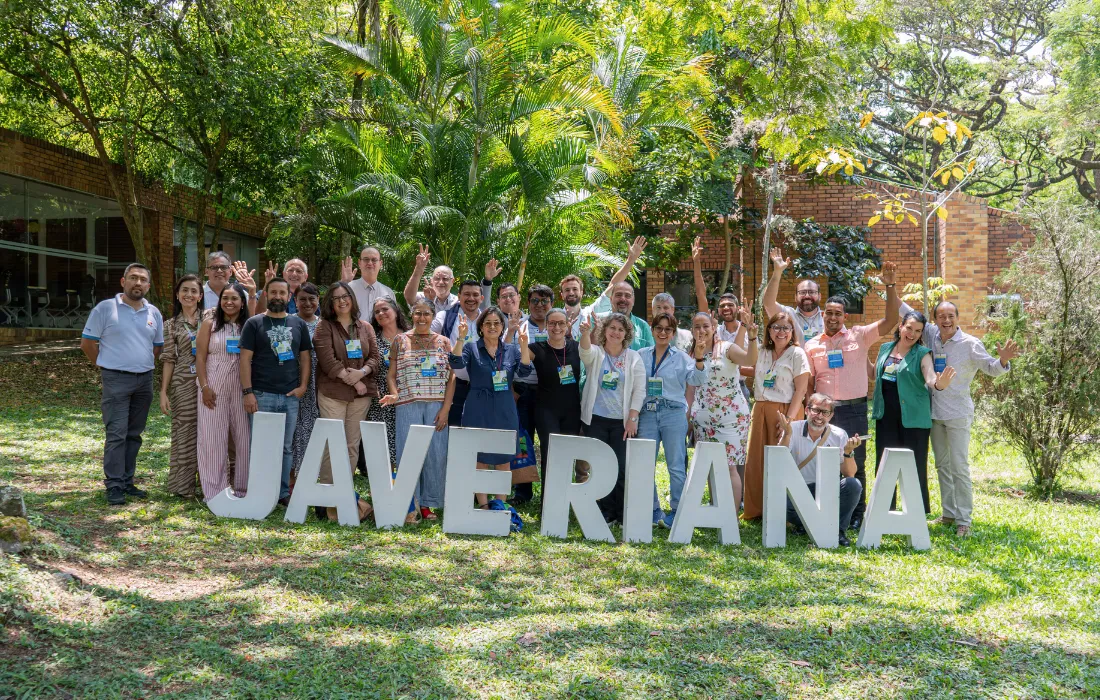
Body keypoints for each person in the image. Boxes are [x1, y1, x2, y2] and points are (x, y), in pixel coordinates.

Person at [897, 299, 1010, 536]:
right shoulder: (930, 334)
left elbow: (991, 368)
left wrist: (1003, 360)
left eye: (951, 316)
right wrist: (890, 285)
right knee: (942, 465)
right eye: (941, 316)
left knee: (959, 467)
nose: (946, 321)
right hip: (935, 414)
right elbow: (904, 309)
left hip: (958, 414)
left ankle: (964, 520)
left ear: (957, 318)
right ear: (935, 319)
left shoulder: (970, 344)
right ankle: (948, 514)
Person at [803, 262, 899, 531]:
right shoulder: (812, 345)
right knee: (823, 461)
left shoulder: (860, 335)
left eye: (838, 314)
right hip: (822, 414)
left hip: (854, 411)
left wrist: (889, 286)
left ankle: (857, 513)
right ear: (823, 314)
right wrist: (808, 412)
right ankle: (824, 509)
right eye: (829, 313)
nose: (833, 318)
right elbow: (809, 383)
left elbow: (891, 321)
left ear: (845, 316)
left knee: (855, 462)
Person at [80, 263, 164, 505]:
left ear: (148, 286)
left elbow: (157, 347)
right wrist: (107, 365)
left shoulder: (153, 312)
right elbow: (87, 344)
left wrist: (139, 363)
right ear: (123, 281)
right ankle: (114, 485)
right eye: (133, 278)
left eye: (143, 280)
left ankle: (127, 481)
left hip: (144, 380)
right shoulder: (105, 309)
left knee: (134, 434)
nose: (138, 283)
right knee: (116, 433)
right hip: (115, 379)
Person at [872, 310, 957, 514]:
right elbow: (874, 372)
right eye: (909, 328)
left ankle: (916, 514)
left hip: (914, 420)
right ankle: (884, 510)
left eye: (918, 331)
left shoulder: (922, 353)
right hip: (886, 417)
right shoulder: (885, 348)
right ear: (901, 326)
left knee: (915, 467)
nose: (912, 334)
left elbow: (929, 377)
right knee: (884, 465)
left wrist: (939, 384)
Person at [239, 277, 314, 506]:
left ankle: (282, 493)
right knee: (260, 445)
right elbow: (244, 360)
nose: (278, 297)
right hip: (262, 395)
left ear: (289, 297)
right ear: (266, 295)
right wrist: (248, 392)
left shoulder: (298, 324)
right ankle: (260, 491)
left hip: (290, 396)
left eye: (282, 293)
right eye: (273, 292)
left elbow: (305, 358)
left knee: (285, 447)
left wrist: (302, 387)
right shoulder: (254, 323)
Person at [380, 299, 456, 522]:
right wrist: (394, 394)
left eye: (426, 314)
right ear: (411, 315)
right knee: (408, 454)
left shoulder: (443, 342)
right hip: (407, 404)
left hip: (436, 406)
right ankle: (409, 505)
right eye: (417, 313)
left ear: (433, 316)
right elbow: (390, 375)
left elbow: (452, 377)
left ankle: (427, 505)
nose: (422, 318)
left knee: (435, 455)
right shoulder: (399, 340)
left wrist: (446, 408)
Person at [449, 307, 530, 507]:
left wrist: (525, 345)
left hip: (504, 406)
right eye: (488, 323)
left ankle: (500, 502)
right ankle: (483, 503)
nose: (492, 326)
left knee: (504, 456)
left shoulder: (511, 349)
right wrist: (460, 338)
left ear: (503, 327)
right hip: (478, 405)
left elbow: (526, 371)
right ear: (481, 327)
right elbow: (455, 363)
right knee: (479, 456)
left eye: (497, 323)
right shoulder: (471, 347)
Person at [313, 281, 380, 521]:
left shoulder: (365, 328)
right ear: (330, 303)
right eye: (336, 298)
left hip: (360, 397)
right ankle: (327, 502)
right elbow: (327, 360)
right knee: (333, 444)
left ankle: (344, 497)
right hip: (333, 393)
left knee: (351, 446)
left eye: (345, 296)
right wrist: (352, 379)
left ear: (352, 298)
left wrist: (361, 374)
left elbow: (375, 357)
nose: (342, 301)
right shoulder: (324, 327)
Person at [578, 313, 646, 524]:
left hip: (622, 422)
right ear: (605, 330)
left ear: (626, 334)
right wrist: (585, 333)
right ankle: (606, 512)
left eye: (620, 329)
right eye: (612, 328)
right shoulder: (597, 353)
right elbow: (584, 352)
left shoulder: (633, 357)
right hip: (596, 419)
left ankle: (622, 513)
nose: (616, 332)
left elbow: (639, 390)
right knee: (601, 467)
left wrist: (632, 418)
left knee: (622, 467)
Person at [743, 311, 811, 521]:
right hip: (761, 408)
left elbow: (801, 391)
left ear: (792, 332)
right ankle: (756, 510)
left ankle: (783, 511)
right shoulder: (762, 350)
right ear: (769, 331)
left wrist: (788, 420)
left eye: (786, 328)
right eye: (776, 327)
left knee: (783, 460)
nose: (781, 332)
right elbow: (750, 366)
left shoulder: (797, 354)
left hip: (786, 410)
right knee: (757, 460)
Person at [687, 310, 757, 514]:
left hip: (731, 418)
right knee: (709, 466)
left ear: (713, 328)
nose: (701, 330)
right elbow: (691, 387)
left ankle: (731, 516)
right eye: (697, 326)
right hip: (703, 419)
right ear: (692, 330)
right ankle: (716, 510)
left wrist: (752, 337)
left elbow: (749, 359)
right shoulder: (691, 353)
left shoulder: (726, 348)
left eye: (705, 326)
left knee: (730, 467)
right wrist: (689, 416)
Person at [638, 313, 704, 527]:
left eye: (668, 329)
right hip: (647, 413)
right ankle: (652, 509)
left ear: (673, 333)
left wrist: (700, 358)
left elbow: (696, 379)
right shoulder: (641, 355)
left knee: (675, 465)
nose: (663, 332)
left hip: (673, 413)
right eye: (659, 328)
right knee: (645, 463)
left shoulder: (682, 357)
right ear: (652, 329)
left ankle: (677, 511)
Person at [776, 394, 864, 546]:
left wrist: (848, 452)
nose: (820, 416)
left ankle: (837, 531)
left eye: (825, 412)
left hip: (827, 491)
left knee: (853, 485)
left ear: (831, 416)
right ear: (806, 410)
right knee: (782, 504)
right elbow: (779, 461)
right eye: (816, 411)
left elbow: (849, 474)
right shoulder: (793, 429)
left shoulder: (839, 435)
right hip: (798, 491)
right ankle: (807, 524)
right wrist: (787, 435)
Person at [195, 282, 251, 502]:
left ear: (242, 302)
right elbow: (200, 357)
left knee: (244, 439)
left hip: (242, 388)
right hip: (213, 388)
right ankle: (215, 491)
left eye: (234, 298)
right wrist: (205, 387)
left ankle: (243, 488)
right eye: (225, 298)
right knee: (212, 439)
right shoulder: (210, 324)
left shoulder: (249, 325)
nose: (229, 302)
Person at [522, 308, 583, 476]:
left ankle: (564, 497)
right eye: (552, 323)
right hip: (546, 410)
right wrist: (520, 340)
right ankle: (548, 501)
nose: (557, 327)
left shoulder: (577, 348)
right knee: (550, 453)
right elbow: (522, 366)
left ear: (568, 325)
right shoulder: (536, 348)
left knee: (567, 454)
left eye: (561, 323)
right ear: (546, 326)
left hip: (572, 410)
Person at [159, 274, 203, 499]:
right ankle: (183, 486)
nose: (189, 294)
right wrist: (164, 391)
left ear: (200, 295)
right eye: (184, 290)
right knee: (184, 432)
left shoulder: (211, 320)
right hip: (183, 383)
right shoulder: (170, 325)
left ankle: (208, 484)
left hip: (208, 382)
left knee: (208, 432)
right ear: (177, 295)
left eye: (194, 291)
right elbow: (168, 359)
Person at [510, 285, 555, 504]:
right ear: (528, 303)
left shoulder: (558, 325)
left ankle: (552, 490)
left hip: (550, 394)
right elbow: (508, 358)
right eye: (535, 301)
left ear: (552, 303)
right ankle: (522, 491)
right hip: (523, 392)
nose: (540, 305)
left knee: (549, 443)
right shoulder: (520, 326)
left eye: (544, 300)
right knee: (522, 441)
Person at [574, 236, 654, 349]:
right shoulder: (596, 321)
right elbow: (584, 354)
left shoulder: (643, 327)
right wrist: (630, 260)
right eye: (618, 295)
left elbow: (651, 358)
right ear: (610, 298)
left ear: (633, 300)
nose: (623, 299)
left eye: (627, 296)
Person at [431, 280, 486, 426]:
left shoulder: (488, 320)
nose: (471, 298)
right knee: (452, 427)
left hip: (482, 385)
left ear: (482, 298)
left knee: (478, 428)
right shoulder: (445, 317)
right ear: (459, 296)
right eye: (466, 294)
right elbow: (425, 335)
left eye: (475, 295)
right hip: (453, 385)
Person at [368, 298, 410, 473]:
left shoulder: (411, 336)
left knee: (406, 441)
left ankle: (406, 483)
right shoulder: (373, 339)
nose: (380, 314)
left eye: (384, 309)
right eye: (377, 312)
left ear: (395, 310)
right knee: (383, 443)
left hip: (408, 397)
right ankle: (387, 484)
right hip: (382, 399)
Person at [402, 243, 499, 314]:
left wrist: (488, 279)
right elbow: (409, 297)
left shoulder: (459, 302)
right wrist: (418, 269)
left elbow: (483, 308)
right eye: (437, 278)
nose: (441, 282)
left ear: (452, 281)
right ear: (431, 281)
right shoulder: (423, 297)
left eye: (445, 279)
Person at [289, 283, 322, 478]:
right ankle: (291, 476)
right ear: (295, 301)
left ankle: (310, 473)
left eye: (312, 299)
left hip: (319, 383)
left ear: (318, 301)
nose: (307, 303)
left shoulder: (324, 324)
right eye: (302, 299)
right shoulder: (288, 322)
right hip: (293, 382)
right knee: (293, 430)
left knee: (311, 428)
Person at [763, 248, 824, 346]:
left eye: (812, 292)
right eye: (803, 292)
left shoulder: (828, 318)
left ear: (819, 296)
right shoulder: (788, 315)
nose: (807, 296)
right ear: (795, 297)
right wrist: (777, 272)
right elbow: (768, 303)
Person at [341, 246, 399, 323]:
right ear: (359, 263)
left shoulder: (388, 293)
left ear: (380, 264)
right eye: (366, 259)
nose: (370, 263)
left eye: (374, 260)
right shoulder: (348, 288)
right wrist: (343, 284)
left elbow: (394, 321)